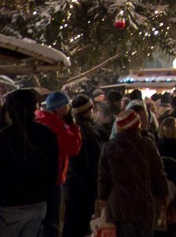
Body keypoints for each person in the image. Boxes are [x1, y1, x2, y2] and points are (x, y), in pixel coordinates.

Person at [0, 89, 59, 237]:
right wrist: (51, 211)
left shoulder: (5, 137)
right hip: (38, 203)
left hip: (10, 205)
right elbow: (52, 174)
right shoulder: (48, 135)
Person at [97, 109, 168, 237]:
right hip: (144, 205)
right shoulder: (147, 146)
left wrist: (102, 200)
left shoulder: (109, 148)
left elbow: (103, 179)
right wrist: (163, 194)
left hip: (119, 206)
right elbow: (158, 173)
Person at [35, 92, 83, 237]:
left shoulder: (39, 119)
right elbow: (72, 148)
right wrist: (74, 128)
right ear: (61, 107)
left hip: (37, 178)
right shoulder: (57, 125)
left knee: (38, 220)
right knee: (51, 221)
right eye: (67, 105)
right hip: (54, 178)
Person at [62, 95, 103, 237]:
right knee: (80, 227)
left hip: (69, 185)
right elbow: (94, 163)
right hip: (84, 188)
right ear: (88, 111)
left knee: (71, 226)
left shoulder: (70, 129)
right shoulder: (89, 133)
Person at [156, 117, 176, 237]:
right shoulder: (161, 142)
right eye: (165, 131)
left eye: (168, 131)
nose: (166, 133)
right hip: (169, 178)